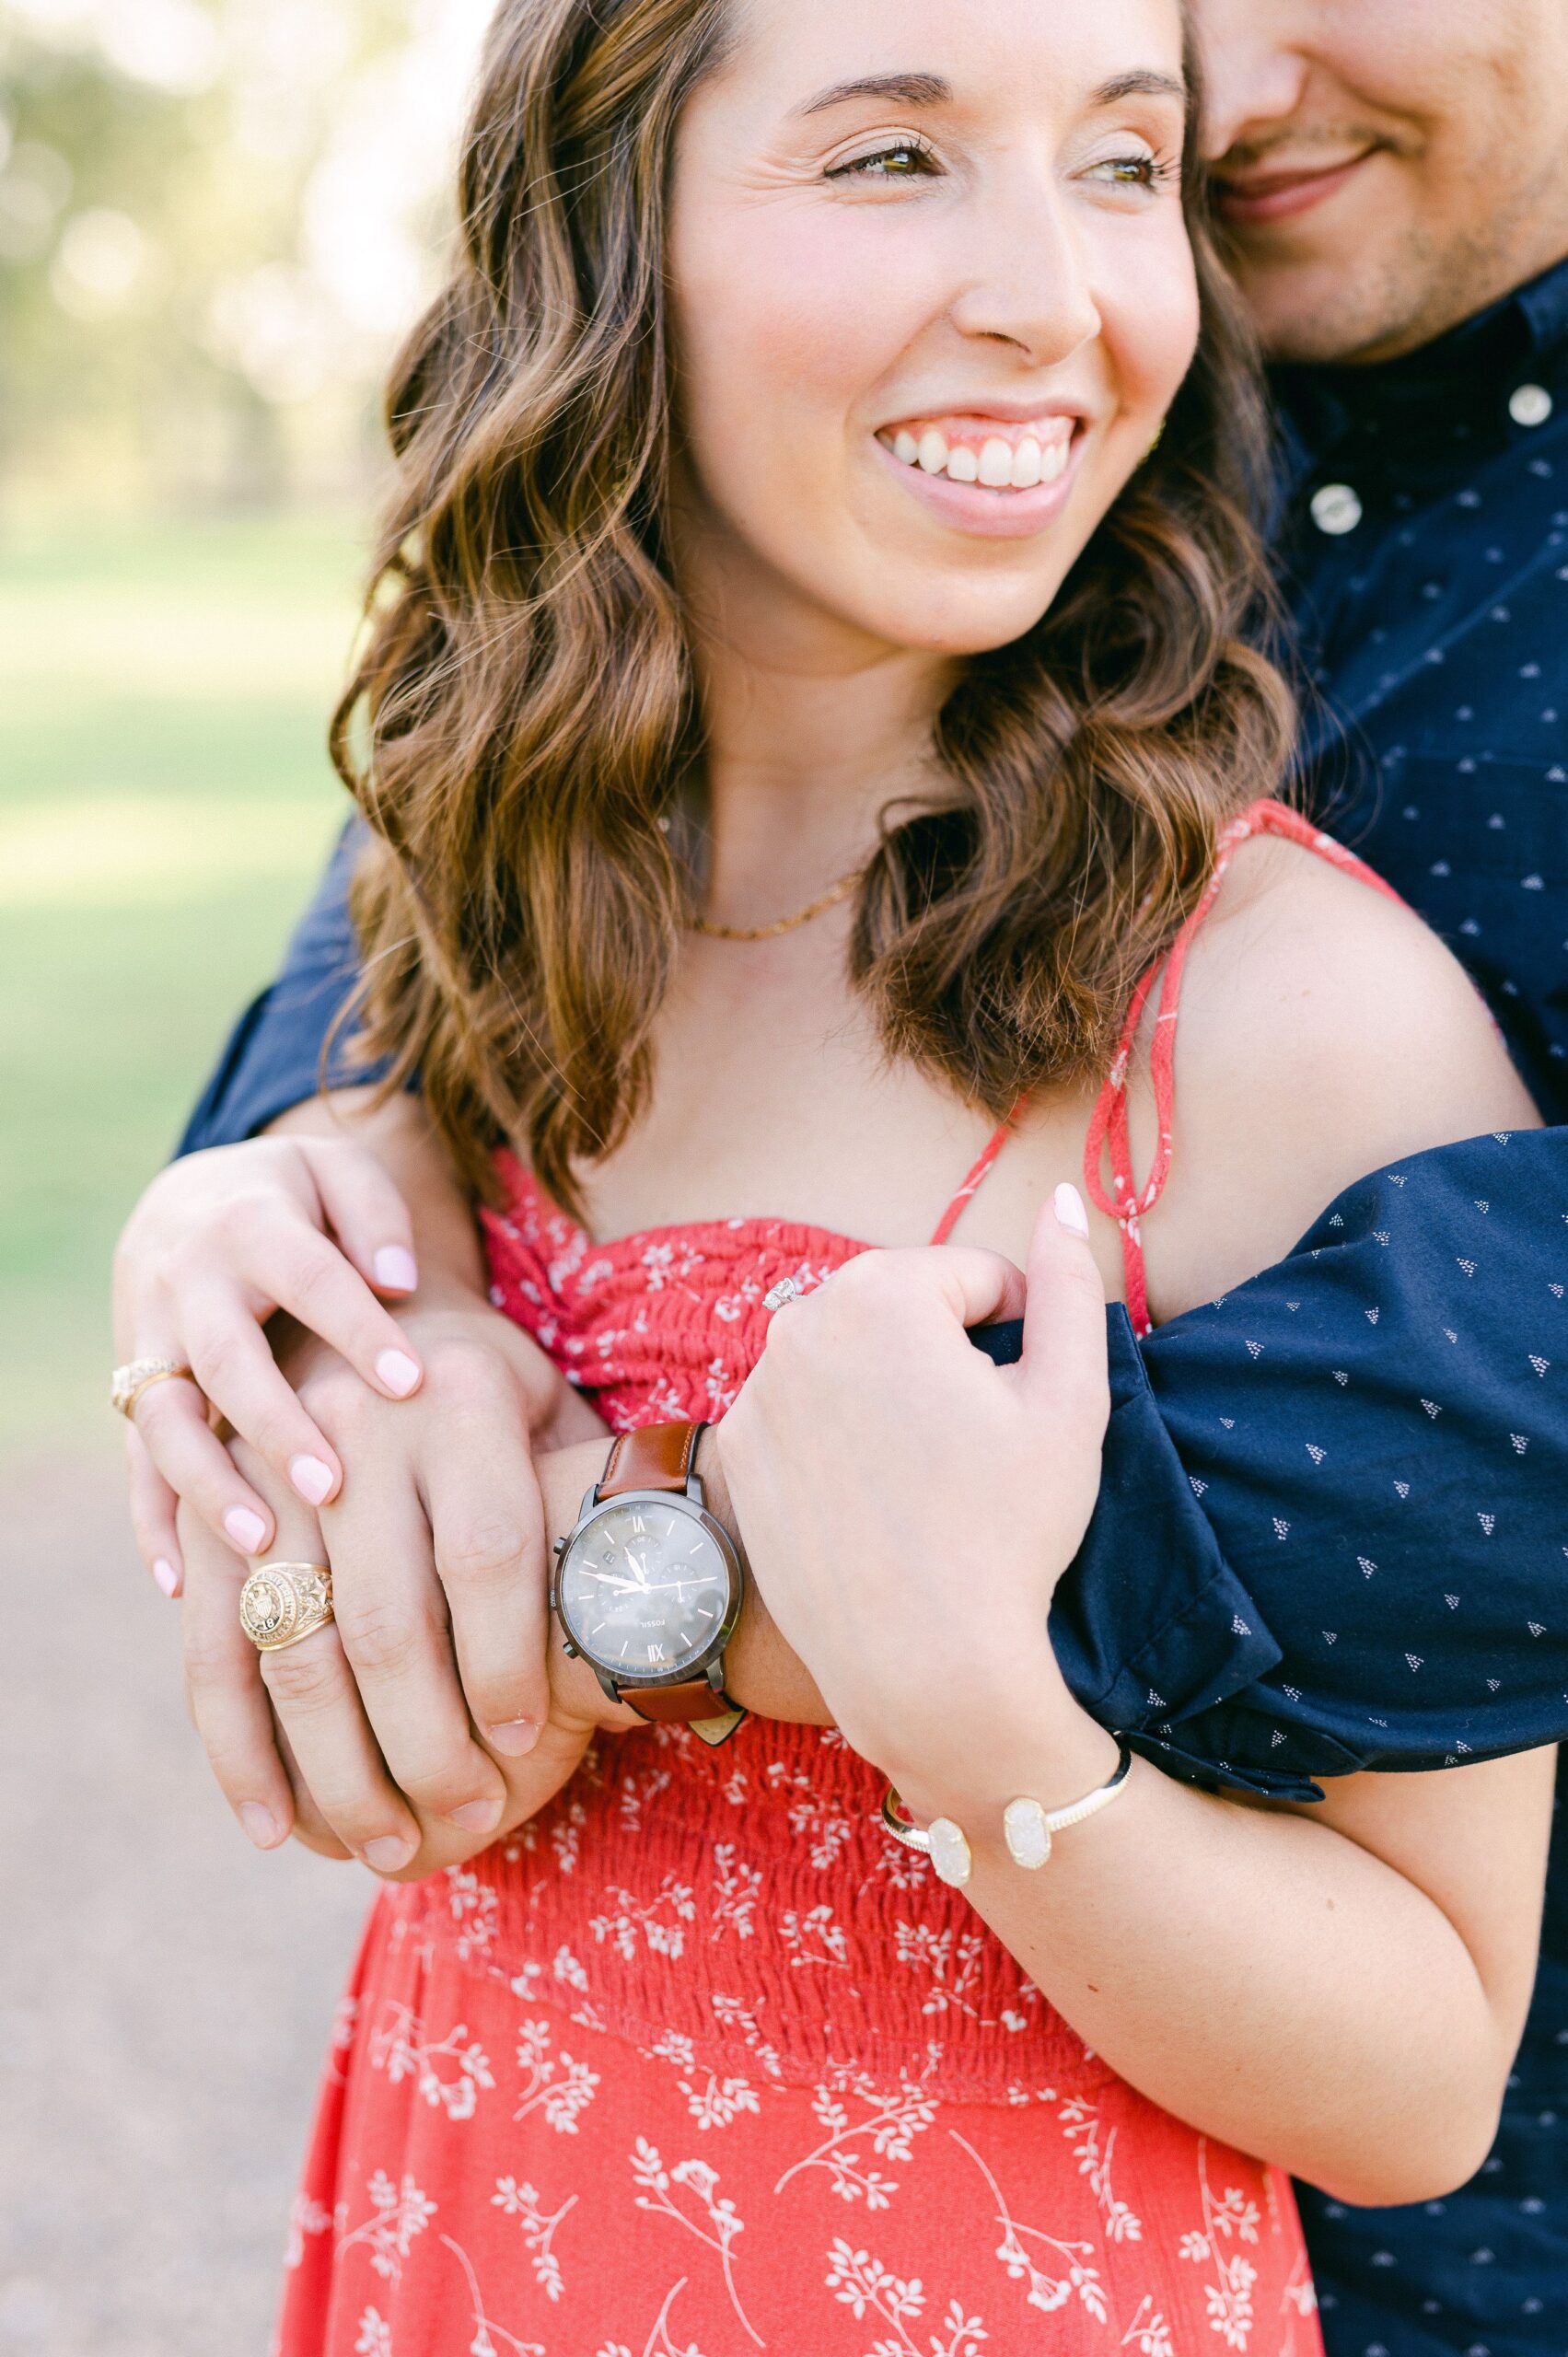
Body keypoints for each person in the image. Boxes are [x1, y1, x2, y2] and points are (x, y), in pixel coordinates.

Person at [108, 0, 1568, 2351]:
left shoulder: (1290, 1017)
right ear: (605, 242)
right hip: (470, 2239)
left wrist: (978, 1726)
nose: (1055, 290)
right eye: (895, 160)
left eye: (1120, 165)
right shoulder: (485, 922)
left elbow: (1420, 2075)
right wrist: (290, 1301)